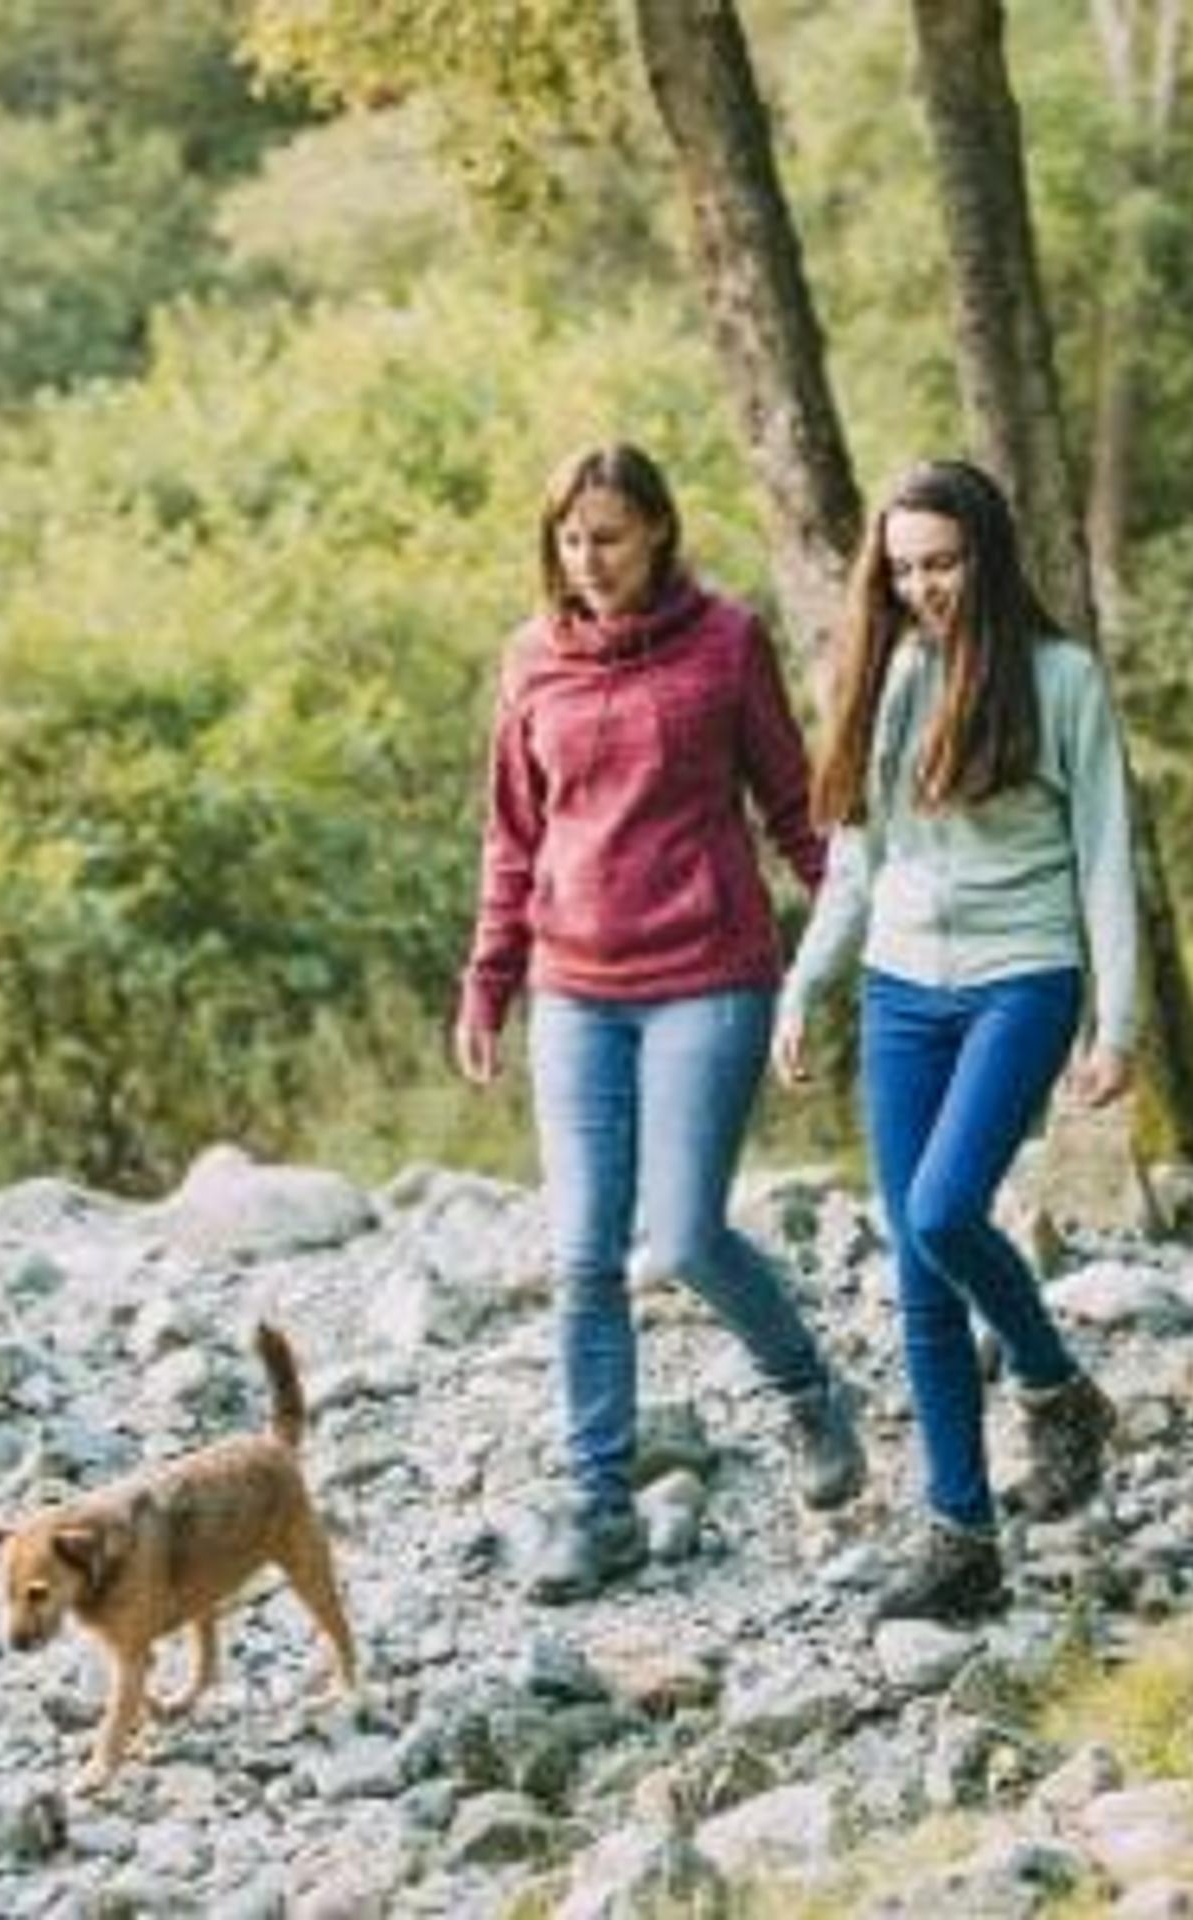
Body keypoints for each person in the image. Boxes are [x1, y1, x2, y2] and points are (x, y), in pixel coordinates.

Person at [455, 444, 870, 1604]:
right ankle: (599, 1507)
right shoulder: (530, 661)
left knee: (682, 1237)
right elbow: (512, 836)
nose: (589, 561)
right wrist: (488, 981)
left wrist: (853, 938)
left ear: (659, 534)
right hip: (574, 986)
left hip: (706, 972)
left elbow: (793, 805)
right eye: (570, 541)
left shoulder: (725, 641)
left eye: (610, 537)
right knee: (584, 1253)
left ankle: (806, 1392)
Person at [776, 458, 1137, 1626]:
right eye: (906, 568)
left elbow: (1105, 853)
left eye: (945, 563)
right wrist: (802, 988)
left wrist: (1117, 1019)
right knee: (917, 1266)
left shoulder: (1062, 679)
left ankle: (1053, 1382)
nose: (926, 588)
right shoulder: (886, 675)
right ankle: (962, 1535)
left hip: (1020, 976)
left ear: (988, 555)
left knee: (942, 1210)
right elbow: (856, 859)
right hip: (898, 986)